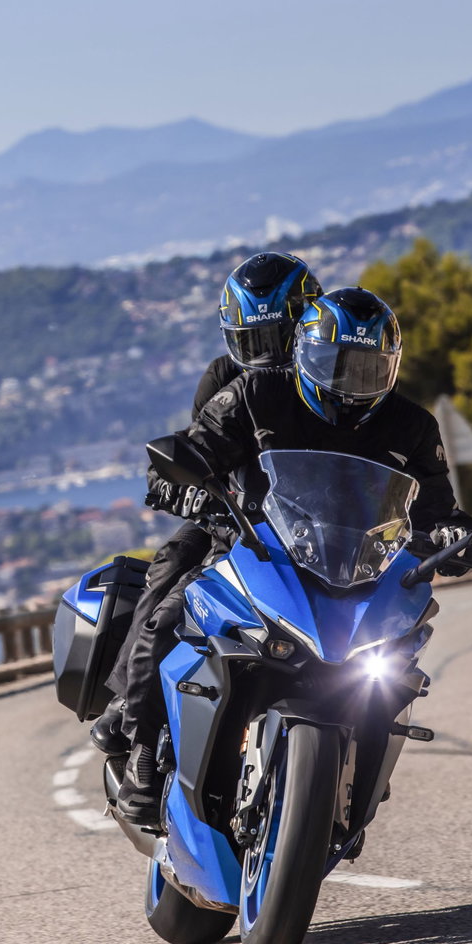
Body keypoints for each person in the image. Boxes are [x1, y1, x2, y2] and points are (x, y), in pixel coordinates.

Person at [114, 286, 472, 825]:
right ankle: (144, 750)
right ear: (304, 350)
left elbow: (437, 509)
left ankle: (357, 777)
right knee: (173, 618)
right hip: (257, 547)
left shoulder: (412, 426)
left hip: (359, 568)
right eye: (337, 364)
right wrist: (188, 488)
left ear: (392, 368)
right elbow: (191, 450)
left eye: (369, 369)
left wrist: (454, 536)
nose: (351, 383)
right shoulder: (257, 392)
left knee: (396, 665)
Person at [87, 252, 323, 758]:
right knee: (170, 575)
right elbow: (196, 446)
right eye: (252, 342)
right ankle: (132, 714)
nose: (267, 354)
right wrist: (185, 488)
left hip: (316, 533)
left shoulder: (329, 384)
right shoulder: (223, 378)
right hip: (234, 526)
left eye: (279, 338)